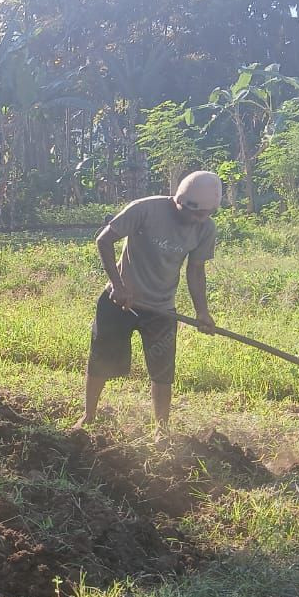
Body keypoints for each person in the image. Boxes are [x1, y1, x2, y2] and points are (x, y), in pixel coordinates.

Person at [78, 170, 222, 432]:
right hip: (119, 303)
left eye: (206, 214)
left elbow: (196, 269)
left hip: (161, 310)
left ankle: (161, 429)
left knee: (162, 371)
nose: (199, 220)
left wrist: (203, 312)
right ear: (180, 202)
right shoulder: (145, 210)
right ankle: (88, 416)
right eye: (195, 213)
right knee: (101, 360)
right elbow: (104, 239)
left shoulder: (206, 228)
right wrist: (119, 286)